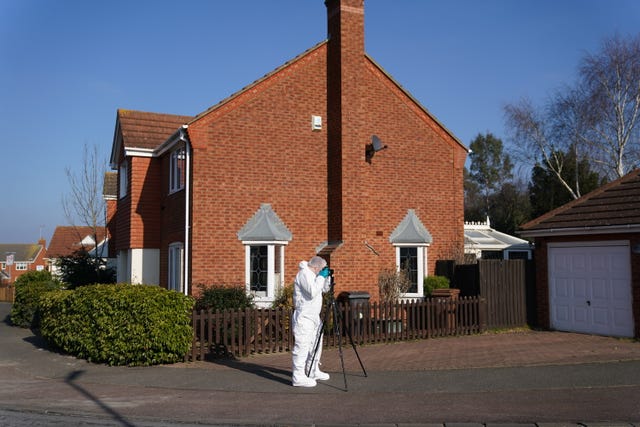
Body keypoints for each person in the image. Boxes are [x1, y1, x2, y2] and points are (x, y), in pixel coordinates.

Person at [291, 255, 332, 387]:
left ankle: (312, 370)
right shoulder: (304, 274)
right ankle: (298, 377)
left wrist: (326, 278)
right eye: (321, 270)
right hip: (304, 317)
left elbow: (324, 289)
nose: (321, 272)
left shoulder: (314, 275)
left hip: (314, 317)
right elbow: (312, 291)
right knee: (302, 346)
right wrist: (321, 277)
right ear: (316, 267)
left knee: (316, 345)